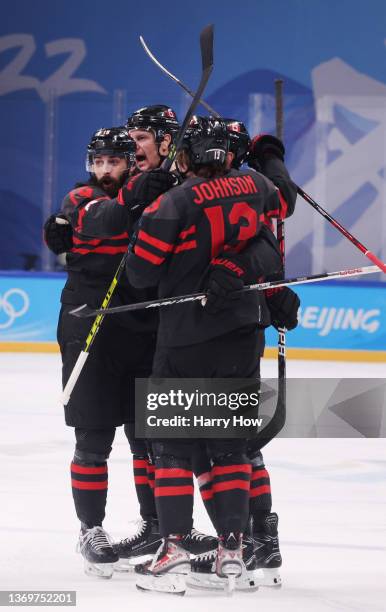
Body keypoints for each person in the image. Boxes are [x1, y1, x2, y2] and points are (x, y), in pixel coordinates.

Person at [124, 116, 296, 595]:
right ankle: (234, 550)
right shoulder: (257, 184)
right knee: (231, 446)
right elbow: (275, 226)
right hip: (242, 332)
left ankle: (174, 548)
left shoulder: (172, 201)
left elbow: (140, 274)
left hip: (186, 337)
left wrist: (143, 217)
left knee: (174, 446)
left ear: (188, 155)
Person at [188, 120, 300, 591]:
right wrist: (271, 159)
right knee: (223, 441)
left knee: (222, 443)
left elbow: (269, 232)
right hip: (218, 325)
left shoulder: (229, 189)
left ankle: (248, 538)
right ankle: (256, 538)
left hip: (220, 328)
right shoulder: (227, 186)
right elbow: (281, 206)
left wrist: (270, 158)